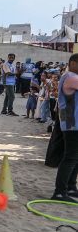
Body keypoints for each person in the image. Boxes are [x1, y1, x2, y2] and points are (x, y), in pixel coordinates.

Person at [51, 53, 78, 202]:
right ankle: (60, 192)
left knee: (75, 157)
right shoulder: (71, 77)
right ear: (73, 63)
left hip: (74, 123)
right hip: (72, 123)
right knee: (70, 157)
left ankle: (71, 187)